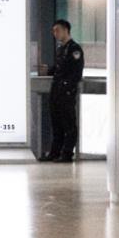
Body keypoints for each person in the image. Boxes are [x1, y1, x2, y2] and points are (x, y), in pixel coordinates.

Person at [41, 19, 84, 162]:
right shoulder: (60, 49)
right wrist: (47, 71)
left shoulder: (74, 49)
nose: (55, 33)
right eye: (53, 31)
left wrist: (66, 87)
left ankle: (67, 154)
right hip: (56, 92)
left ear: (66, 30)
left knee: (69, 124)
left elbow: (76, 73)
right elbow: (58, 69)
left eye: (57, 30)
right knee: (57, 124)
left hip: (66, 93)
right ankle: (55, 152)